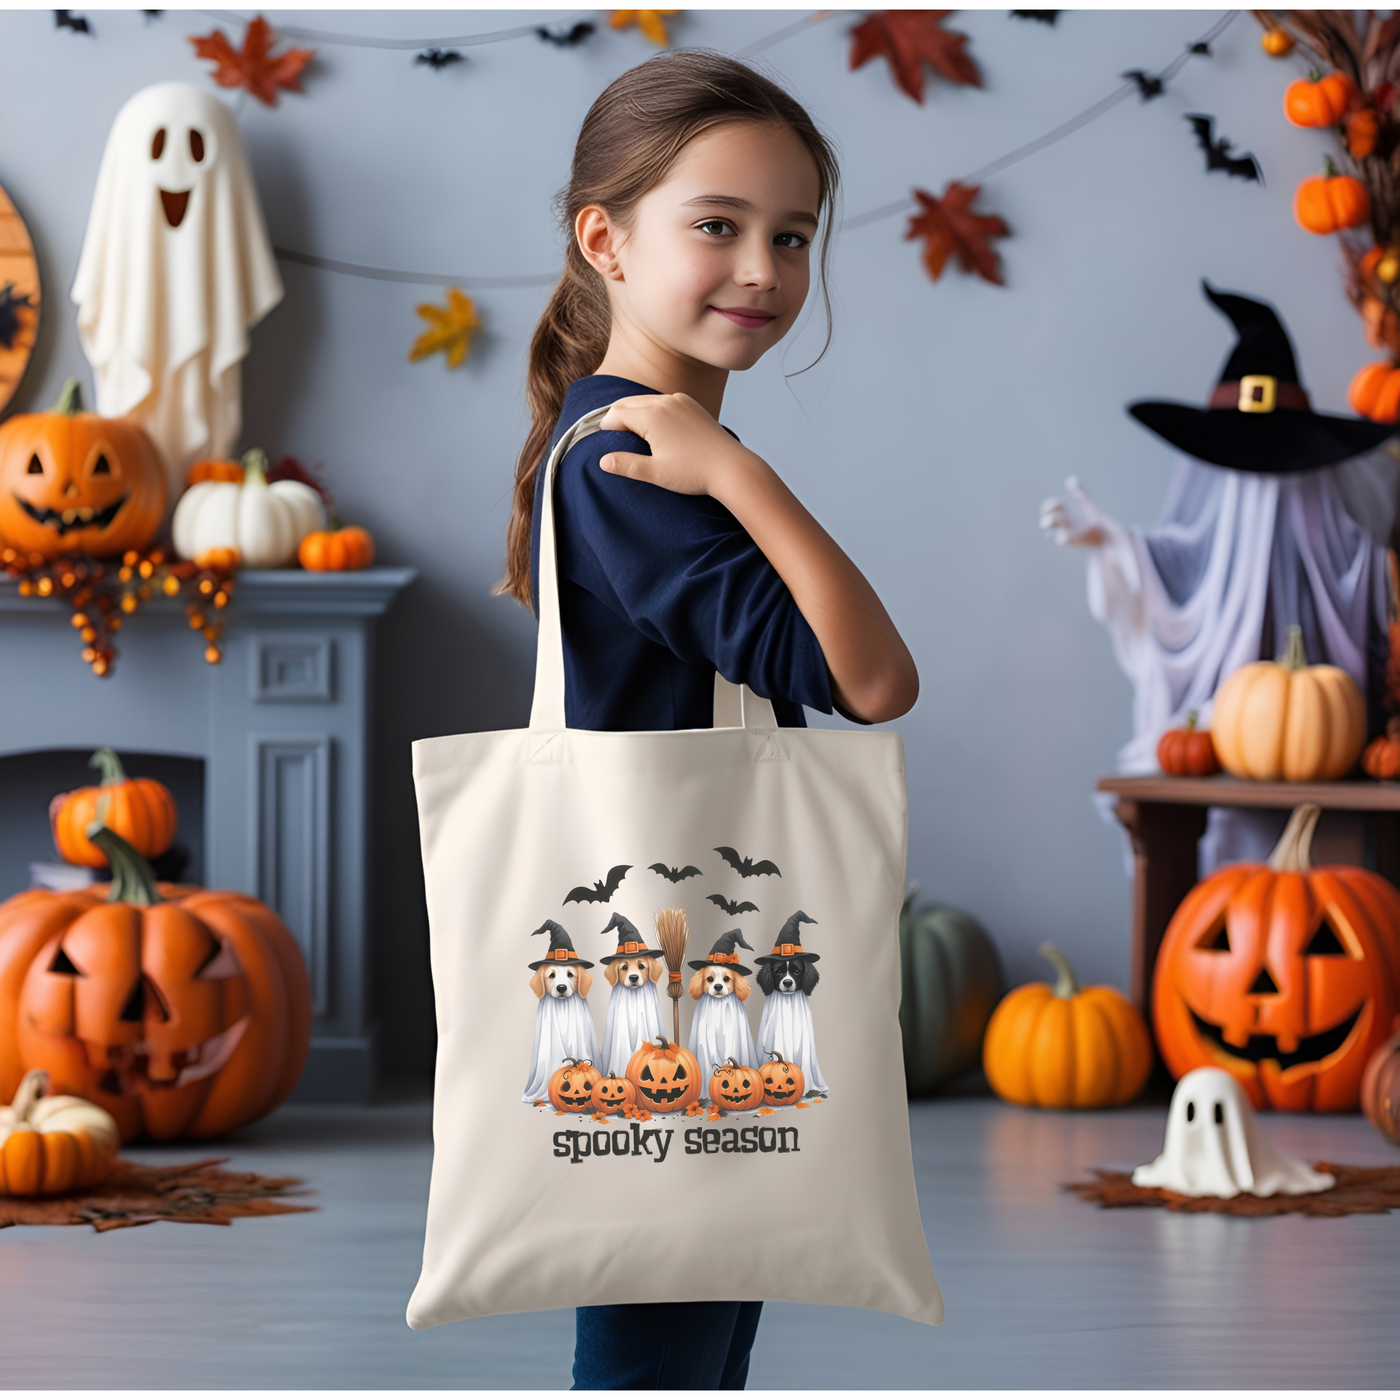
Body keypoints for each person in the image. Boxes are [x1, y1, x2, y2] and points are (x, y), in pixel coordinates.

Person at [499, 49, 918, 1391]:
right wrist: (739, 468)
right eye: (717, 226)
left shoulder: (615, 436)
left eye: (792, 236)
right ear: (604, 240)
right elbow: (874, 678)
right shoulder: (642, 461)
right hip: (671, 953)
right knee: (664, 1301)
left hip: (664, 934)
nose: (763, 268)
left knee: (686, 1286)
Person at [1041, 283, 1397, 867]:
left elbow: (1369, 582)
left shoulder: (1340, 539)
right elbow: (1176, 563)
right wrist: (1113, 547)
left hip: (1327, 742)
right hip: (1225, 738)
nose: (1259, 491)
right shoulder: (1209, 518)